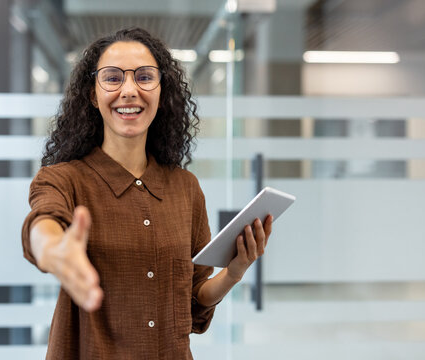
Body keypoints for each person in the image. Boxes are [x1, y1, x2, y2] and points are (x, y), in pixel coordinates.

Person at [21, 27, 272, 359]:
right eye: (112, 78)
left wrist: (234, 272)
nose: (129, 90)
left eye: (144, 77)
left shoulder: (186, 188)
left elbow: (195, 299)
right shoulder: (64, 179)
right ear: (93, 96)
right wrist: (52, 249)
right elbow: (44, 219)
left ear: (161, 92)